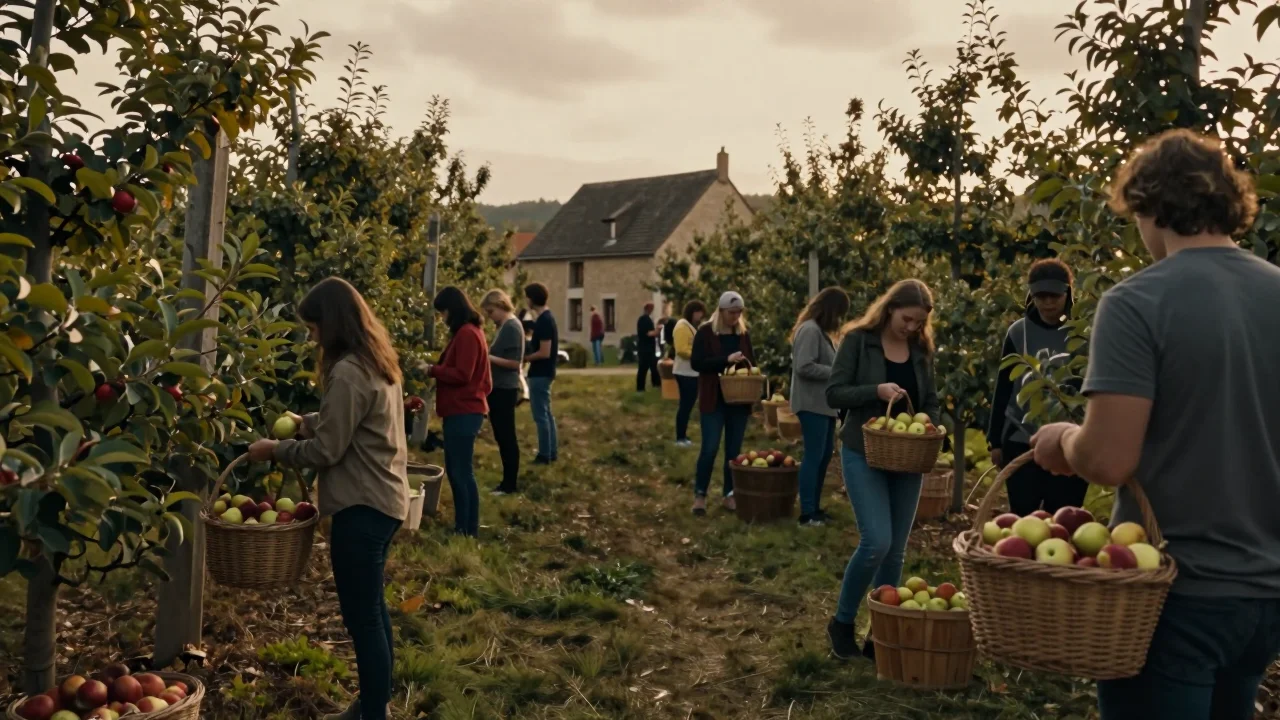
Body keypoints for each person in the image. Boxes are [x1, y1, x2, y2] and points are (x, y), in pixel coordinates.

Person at [1028, 129, 1280, 719]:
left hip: (1173, 594)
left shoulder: (1138, 302)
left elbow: (1111, 459)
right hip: (1267, 595)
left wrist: (1064, 439)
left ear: (1150, 207)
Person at [247, 277, 408, 720]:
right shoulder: (375, 362)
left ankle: (374, 712)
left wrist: (274, 450)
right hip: (385, 500)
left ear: (332, 323)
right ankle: (373, 704)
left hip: (362, 506)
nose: (311, 334)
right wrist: (309, 420)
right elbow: (354, 423)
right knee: (373, 610)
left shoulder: (348, 372)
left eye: (314, 326)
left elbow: (327, 451)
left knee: (363, 619)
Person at [824, 279, 941, 661]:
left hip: (909, 454)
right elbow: (834, 392)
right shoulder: (859, 340)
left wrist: (932, 427)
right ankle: (842, 624)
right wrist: (875, 391)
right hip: (864, 448)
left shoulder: (921, 348)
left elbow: (931, 401)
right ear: (890, 308)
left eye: (918, 322)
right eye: (906, 319)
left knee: (895, 553)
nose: (911, 328)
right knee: (876, 541)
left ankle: (881, 633)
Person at [987, 259, 1087, 516]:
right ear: (1031, 295)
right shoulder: (1018, 332)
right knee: (1022, 519)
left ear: (1068, 293)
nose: (1048, 303)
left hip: (1069, 440)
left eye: (1055, 296)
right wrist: (994, 440)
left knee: (1065, 518)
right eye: (1041, 296)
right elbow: (1004, 386)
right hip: (1021, 438)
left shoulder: (1083, 334)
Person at [425, 287, 491, 537]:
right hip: (464, 410)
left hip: (463, 411)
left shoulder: (466, 335)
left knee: (461, 472)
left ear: (451, 309)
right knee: (459, 470)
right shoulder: (473, 333)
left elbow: (463, 374)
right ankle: (465, 526)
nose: (442, 318)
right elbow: (484, 380)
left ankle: (466, 529)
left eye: (443, 313)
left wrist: (432, 370)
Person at [789, 287, 851, 527]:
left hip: (823, 405)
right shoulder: (810, 331)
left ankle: (814, 508)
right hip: (811, 404)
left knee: (824, 455)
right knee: (815, 455)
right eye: (839, 314)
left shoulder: (820, 332)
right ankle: (806, 513)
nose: (840, 320)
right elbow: (804, 366)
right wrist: (837, 373)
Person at [690, 291, 754, 516]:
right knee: (710, 447)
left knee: (734, 451)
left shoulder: (743, 334)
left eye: (739, 313)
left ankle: (729, 494)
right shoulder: (706, 333)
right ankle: (700, 494)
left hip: (738, 399)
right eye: (731, 312)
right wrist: (724, 361)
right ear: (721, 311)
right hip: (713, 399)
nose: (736, 317)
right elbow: (697, 363)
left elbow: (751, 361)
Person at [482, 290, 524, 495]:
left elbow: (515, 362)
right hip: (498, 387)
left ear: (500, 305)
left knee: (506, 435)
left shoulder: (512, 327)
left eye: (491, 311)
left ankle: (510, 484)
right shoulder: (503, 326)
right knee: (502, 435)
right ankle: (507, 482)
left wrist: (488, 358)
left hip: (505, 388)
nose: (490, 316)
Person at [524, 283, 559, 464]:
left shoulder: (544, 321)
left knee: (540, 415)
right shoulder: (547, 318)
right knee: (547, 413)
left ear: (532, 298)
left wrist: (527, 358)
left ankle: (544, 454)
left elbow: (545, 351)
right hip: (546, 371)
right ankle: (551, 451)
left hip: (540, 373)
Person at [672, 300, 707, 447]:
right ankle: (680, 438)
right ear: (693, 312)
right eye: (699, 313)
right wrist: (698, 355)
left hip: (691, 372)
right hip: (685, 372)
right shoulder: (682, 327)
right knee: (685, 405)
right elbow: (681, 349)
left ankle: (683, 436)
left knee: (687, 405)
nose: (701, 317)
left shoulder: (689, 327)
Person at [636, 303, 661, 392]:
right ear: (648, 309)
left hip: (648, 348)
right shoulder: (644, 319)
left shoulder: (645, 319)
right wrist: (657, 331)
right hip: (645, 348)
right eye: (651, 309)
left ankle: (655, 384)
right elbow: (648, 333)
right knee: (644, 368)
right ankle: (641, 388)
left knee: (653, 367)